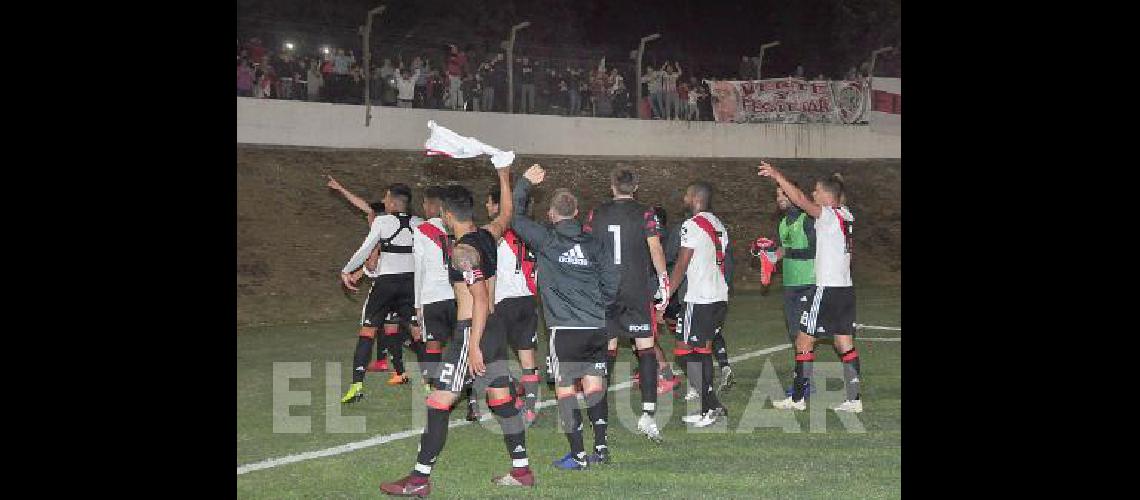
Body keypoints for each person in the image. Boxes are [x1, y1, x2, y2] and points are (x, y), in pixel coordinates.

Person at [380, 164, 536, 495]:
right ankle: (521, 471)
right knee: (502, 401)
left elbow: (478, 299)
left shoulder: (463, 250)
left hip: (473, 331)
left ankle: (419, 480)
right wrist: (505, 175)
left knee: (438, 402)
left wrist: (474, 346)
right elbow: (506, 214)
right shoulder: (487, 235)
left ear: (448, 215)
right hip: (494, 329)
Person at [510, 165, 618, 469]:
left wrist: (524, 184)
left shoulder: (547, 240)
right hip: (596, 326)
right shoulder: (594, 243)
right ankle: (601, 447)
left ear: (551, 215)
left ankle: (579, 455)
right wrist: (599, 305)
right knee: (595, 385)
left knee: (566, 390)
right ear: (577, 212)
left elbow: (515, 218)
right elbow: (612, 281)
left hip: (565, 330)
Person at [758, 163, 862, 414]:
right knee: (844, 343)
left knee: (803, 341)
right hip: (845, 289)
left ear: (828, 196)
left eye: (817, 191)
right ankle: (854, 399)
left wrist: (777, 176)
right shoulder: (847, 215)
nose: (813, 194)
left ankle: (798, 399)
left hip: (826, 289)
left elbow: (800, 199)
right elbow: (836, 196)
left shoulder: (827, 216)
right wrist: (837, 182)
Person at [582, 168, 672, 443]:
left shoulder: (595, 213)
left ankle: (600, 420)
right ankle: (647, 415)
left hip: (605, 291)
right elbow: (655, 248)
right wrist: (664, 280)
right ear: (635, 187)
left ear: (611, 185)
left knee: (606, 350)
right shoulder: (646, 212)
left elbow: (586, 247)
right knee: (645, 348)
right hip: (635, 289)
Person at [337, 182, 423, 403]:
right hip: (410, 284)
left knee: (368, 332)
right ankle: (430, 385)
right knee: (417, 331)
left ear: (393, 202)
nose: (383, 202)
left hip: (386, 284)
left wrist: (347, 270)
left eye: (385, 198)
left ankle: (356, 386)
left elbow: (365, 249)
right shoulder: (420, 224)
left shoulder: (383, 222)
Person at [665, 182, 730, 428]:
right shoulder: (718, 224)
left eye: (686, 194)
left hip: (700, 296)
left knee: (690, 352)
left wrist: (665, 296)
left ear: (694, 197)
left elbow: (682, 264)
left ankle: (710, 406)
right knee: (692, 351)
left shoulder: (691, 225)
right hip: (717, 295)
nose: (684, 197)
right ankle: (709, 406)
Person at [486, 183, 541, 425]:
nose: (487, 206)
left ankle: (510, 398)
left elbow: (490, 273)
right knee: (528, 359)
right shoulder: (530, 232)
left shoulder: (496, 234)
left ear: (499, 205)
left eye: (489, 202)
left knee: (493, 355)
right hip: (528, 300)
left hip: (503, 301)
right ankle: (529, 409)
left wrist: (486, 302)